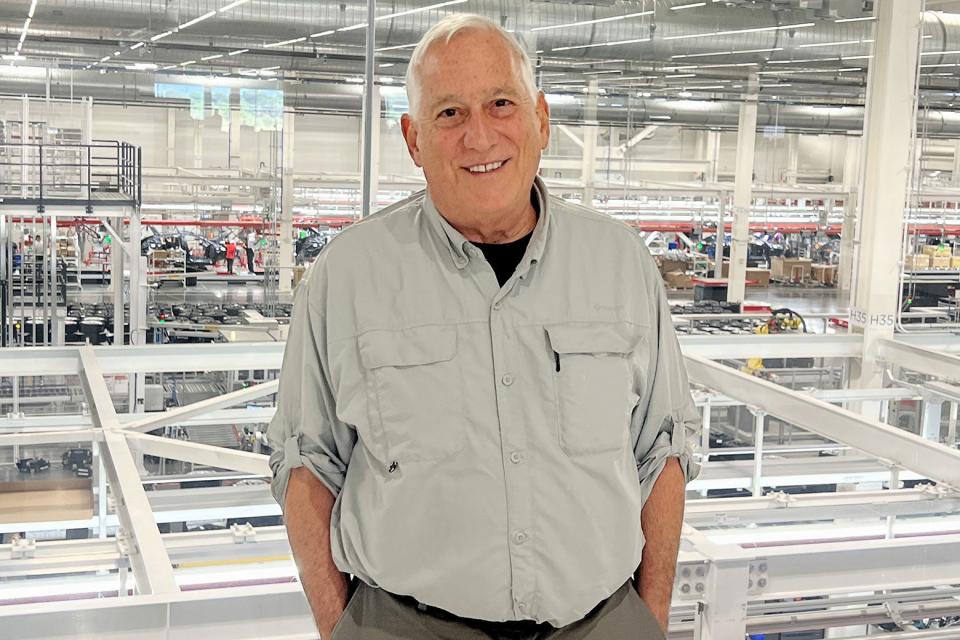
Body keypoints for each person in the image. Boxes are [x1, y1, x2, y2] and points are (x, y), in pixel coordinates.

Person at [267, 14, 699, 640]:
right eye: (449, 114)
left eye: (501, 104)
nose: (479, 136)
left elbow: (663, 449)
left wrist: (649, 618)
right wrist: (340, 628)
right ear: (413, 139)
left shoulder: (619, 262)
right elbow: (305, 462)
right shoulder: (349, 274)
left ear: (540, 120)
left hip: (603, 621)